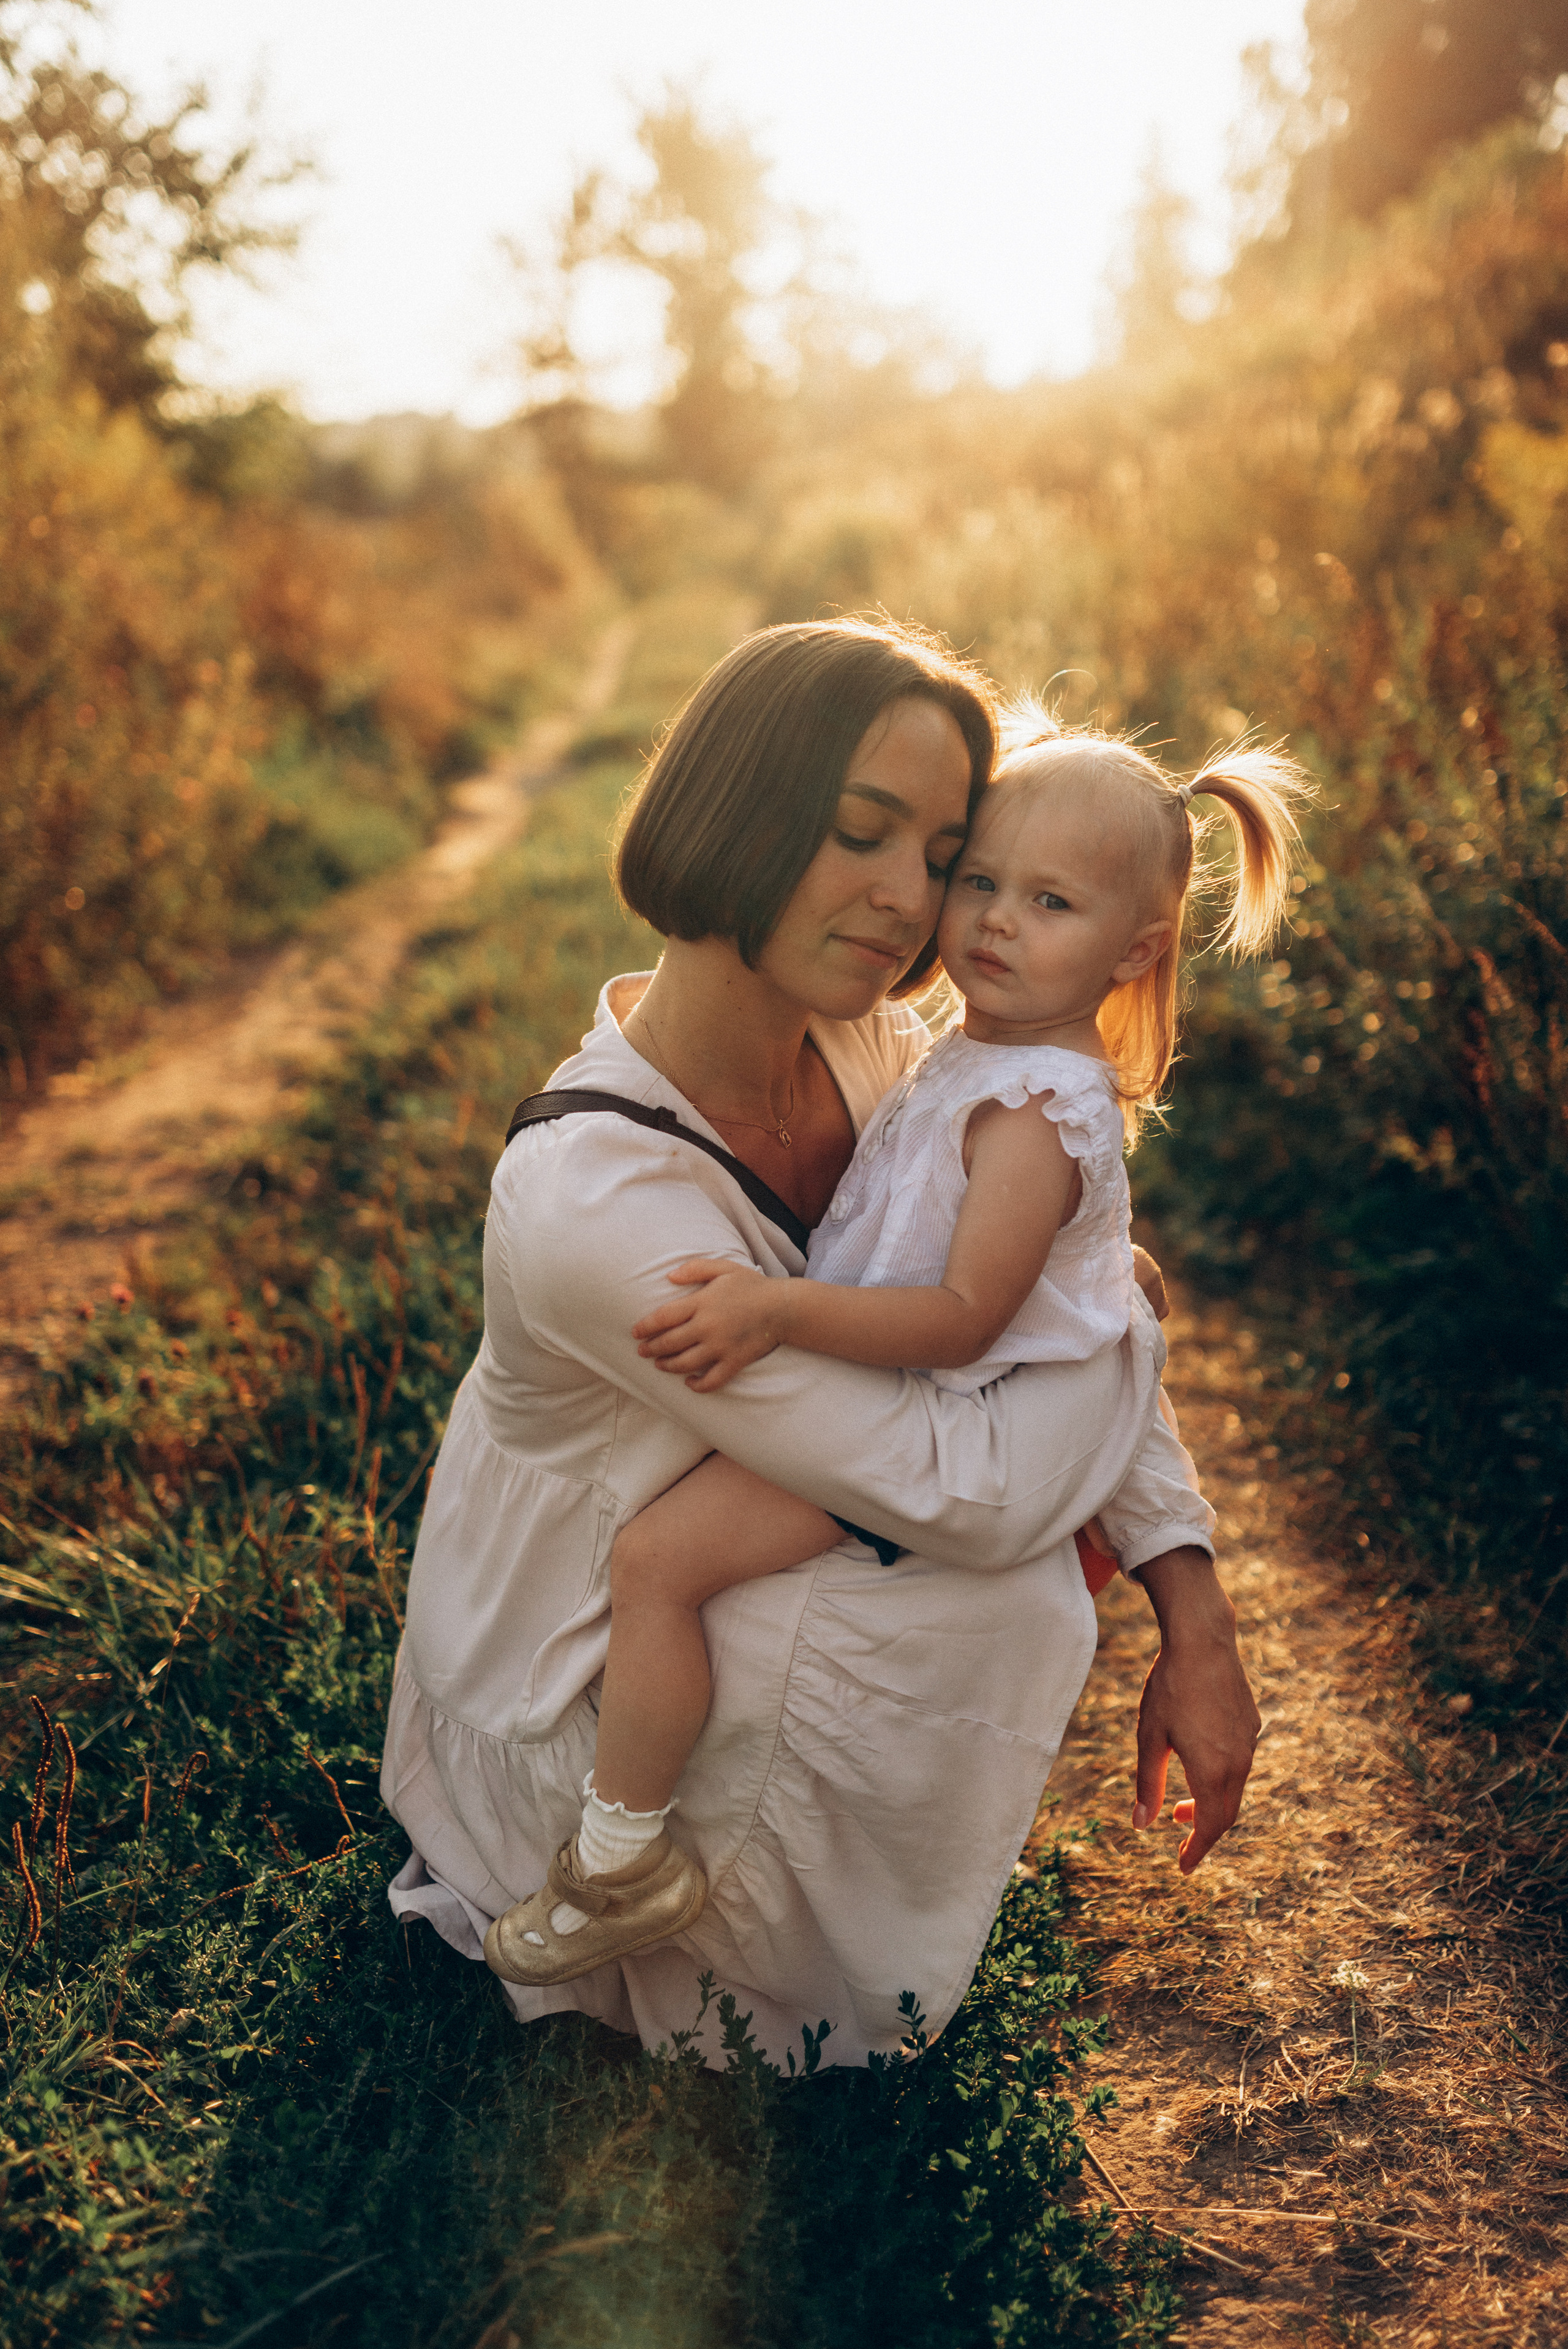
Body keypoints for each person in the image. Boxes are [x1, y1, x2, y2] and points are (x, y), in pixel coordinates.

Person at [383, 617, 1261, 2071]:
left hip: (699, 1580)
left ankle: (858, 1887)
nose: (912, 901)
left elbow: (1053, 1313)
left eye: (939, 854)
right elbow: (953, 1469)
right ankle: (649, 1896)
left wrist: (1195, 1609)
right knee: (1005, 1586)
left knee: (1001, 1579)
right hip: (573, 1690)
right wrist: (1124, 1343)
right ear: (740, 808)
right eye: (864, 835)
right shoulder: (594, 1202)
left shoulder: (877, 1051)